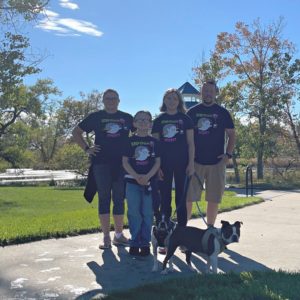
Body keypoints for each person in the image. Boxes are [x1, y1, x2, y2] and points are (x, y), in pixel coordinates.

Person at [72, 89, 133, 249]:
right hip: (101, 163)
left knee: (119, 199)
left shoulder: (127, 118)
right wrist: (86, 148)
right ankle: (106, 237)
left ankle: (118, 235)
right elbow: (76, 132)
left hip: (121, 165)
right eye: (107, 98)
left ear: (119, 100)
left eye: (113, 98)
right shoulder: (95, 117)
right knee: (104, 199)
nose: (111, 101)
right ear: (103, 101)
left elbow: (141, 132)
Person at [186, 79, 235, 227]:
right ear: (201, 93)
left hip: (217, 162)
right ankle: (183, 230)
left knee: (213, 198)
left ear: (216, 93)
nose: (208, 94)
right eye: (205, 91)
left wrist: (228, 154)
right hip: (195, 162)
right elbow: (186, 137)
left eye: (211, 91)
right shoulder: (192, 112)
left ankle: (210, 230)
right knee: (188, 198)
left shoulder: (223, 113)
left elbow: (232, 135)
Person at [152, 89, 195, 227]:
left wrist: (191, 164)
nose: (172, 101)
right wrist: (157, 168)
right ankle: (164, 231)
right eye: (169, 98)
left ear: (179, 101)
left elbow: (191, 144)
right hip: (164, 165)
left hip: (182, 164)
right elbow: (155, 146)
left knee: (181, 199)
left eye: (175, 99)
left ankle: (182, 232)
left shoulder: (185, 119)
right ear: (164, 100)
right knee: (165, 198)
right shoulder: (159, 120)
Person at [122, 111, 161, 256]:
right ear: (134, 123)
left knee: (147, 213)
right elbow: (125, 162)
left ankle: (145, 243)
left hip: (149, 183)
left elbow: (157, 162)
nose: (143, 122)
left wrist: (147, 177)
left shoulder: (155, 142)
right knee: (134, 213)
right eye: (140, 120)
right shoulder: (129, 141)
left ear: (151, 123)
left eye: (146, 120)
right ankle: (134, 241)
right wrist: (136, 176)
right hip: (132, 182)